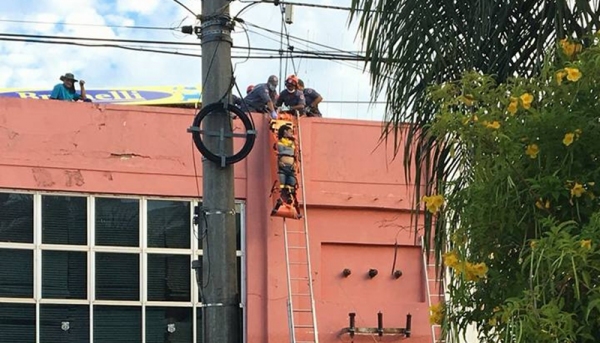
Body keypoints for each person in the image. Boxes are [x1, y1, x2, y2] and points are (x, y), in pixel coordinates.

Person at [271, 124, 301, 217]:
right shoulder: (279, 142)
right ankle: (276, 207)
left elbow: (296, 155)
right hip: (282, 168)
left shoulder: (292, 143)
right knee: (281, 189)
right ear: (284, 132)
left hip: (291, 168)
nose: (291, 133)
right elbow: (277, 153)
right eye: (290, 131)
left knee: (292, 190)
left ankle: (297, 211)